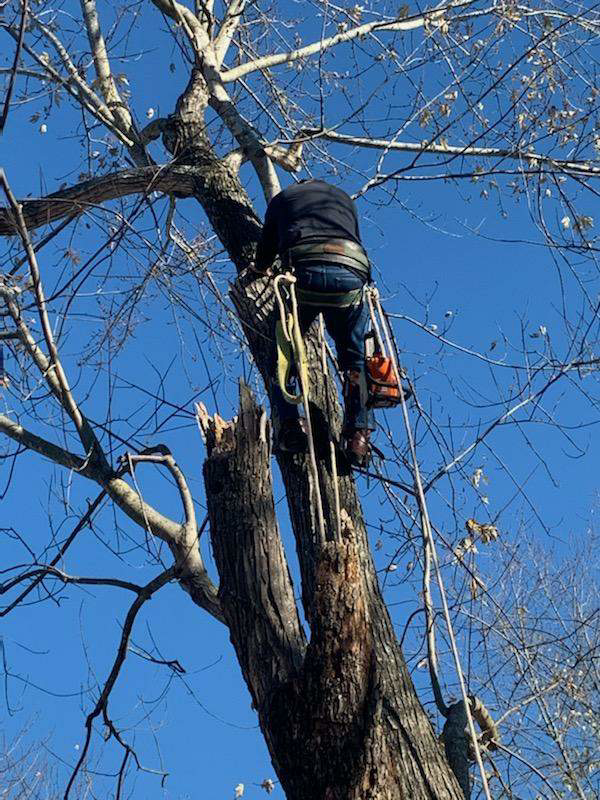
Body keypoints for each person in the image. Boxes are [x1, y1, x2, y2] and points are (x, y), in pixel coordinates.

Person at [254, 178, 375, 466]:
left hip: (304, 270)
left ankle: (292, 425)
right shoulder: (344, 198)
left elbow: (265, 250)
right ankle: (358, 436)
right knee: (356, 359)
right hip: (350, 272)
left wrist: (260, 268)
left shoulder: (282, 200)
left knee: (283, 351)